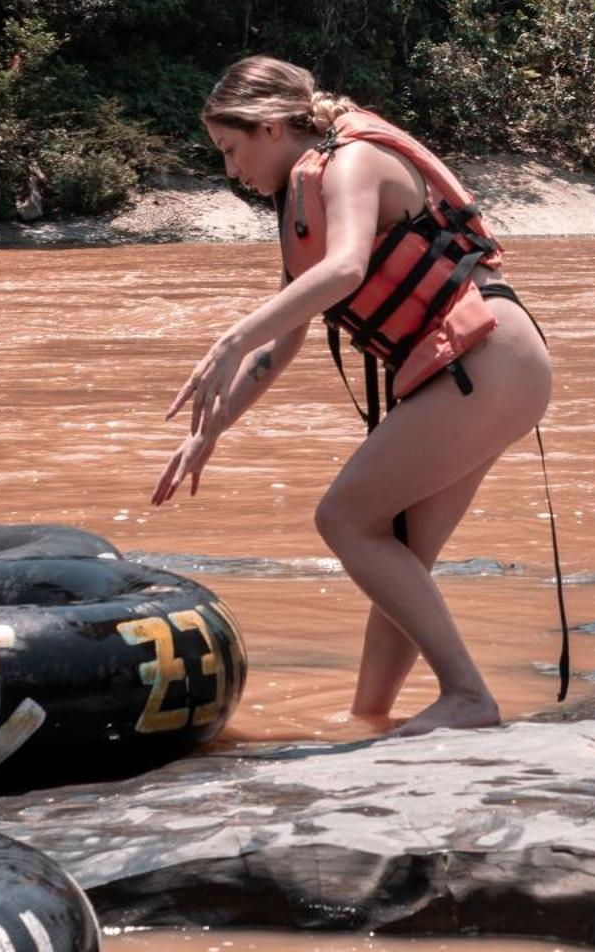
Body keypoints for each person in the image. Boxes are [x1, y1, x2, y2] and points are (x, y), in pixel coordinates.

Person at [151, 57, 554, 736]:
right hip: (484, 369)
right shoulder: (301, 198)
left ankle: (467, 696)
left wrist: (228, 336)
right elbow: (282, 345)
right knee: (399, 546)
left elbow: (346, 270)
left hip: (485, 361)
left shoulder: (350, 162)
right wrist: (209, 430)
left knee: (343, 519)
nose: (230, 172)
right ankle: (370, 714)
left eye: (230, 149)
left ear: (271, 127)